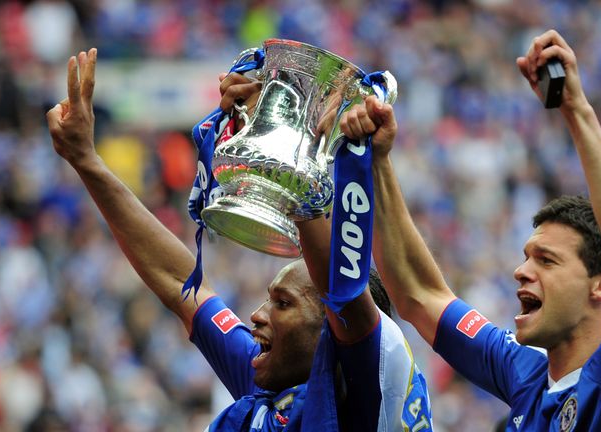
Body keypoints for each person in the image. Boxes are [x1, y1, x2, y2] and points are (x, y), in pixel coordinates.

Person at [46, 49, 432, 431]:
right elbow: (183, 285)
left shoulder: (370, 392)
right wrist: (86, 161)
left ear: (332, 333)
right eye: (271, 299)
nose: (257, 315)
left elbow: (343, 292)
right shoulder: (272, 390)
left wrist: (290, 146)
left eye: (282, 303)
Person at [339, 29, 601, 430]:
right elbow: (420, 296)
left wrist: (575, 109)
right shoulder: (525, 370)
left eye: (547, 260)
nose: (521, 271)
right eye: (527, 256)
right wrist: (379, 162)